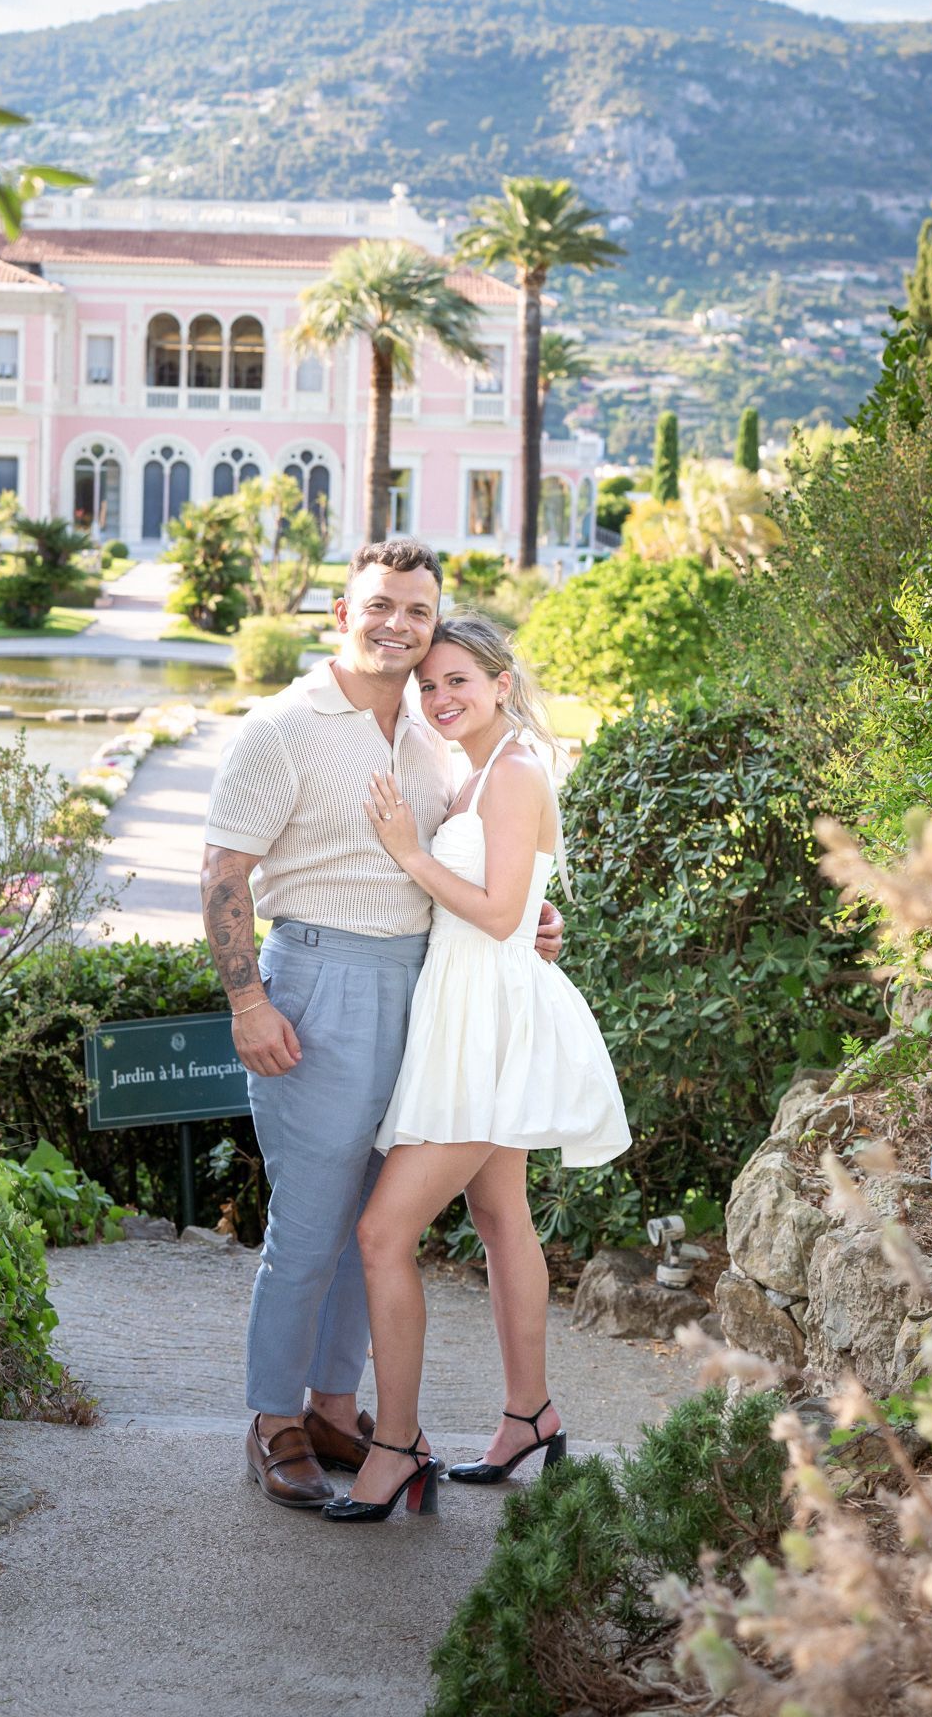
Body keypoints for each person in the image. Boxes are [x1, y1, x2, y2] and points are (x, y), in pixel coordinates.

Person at [200, 542, 565, 1511]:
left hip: (426, 989)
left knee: (378, 1225)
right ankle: (274, 1417)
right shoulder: (282, 727)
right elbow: (223, 871)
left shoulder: (427, 729)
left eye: (416, 609)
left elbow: (475, 861)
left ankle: (334, 1403)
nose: (397, 624)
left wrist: (527, 912)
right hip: (318, 982)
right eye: (379, 606)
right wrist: (247, 1001)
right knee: (313, 1223)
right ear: (340, 610)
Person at [322, 614, 630, 1523]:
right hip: (472, 1007)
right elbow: (514, 907)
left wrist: (409, 854)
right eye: (429, 684)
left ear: (501, 682)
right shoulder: (474, 769)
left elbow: (499, 914)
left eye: (459, 680)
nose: (440, 697)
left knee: (383, 1235)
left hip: (486, 1022)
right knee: (500, 1217)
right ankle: (528, 1413)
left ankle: (395, 1447)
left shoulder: (514, 772)